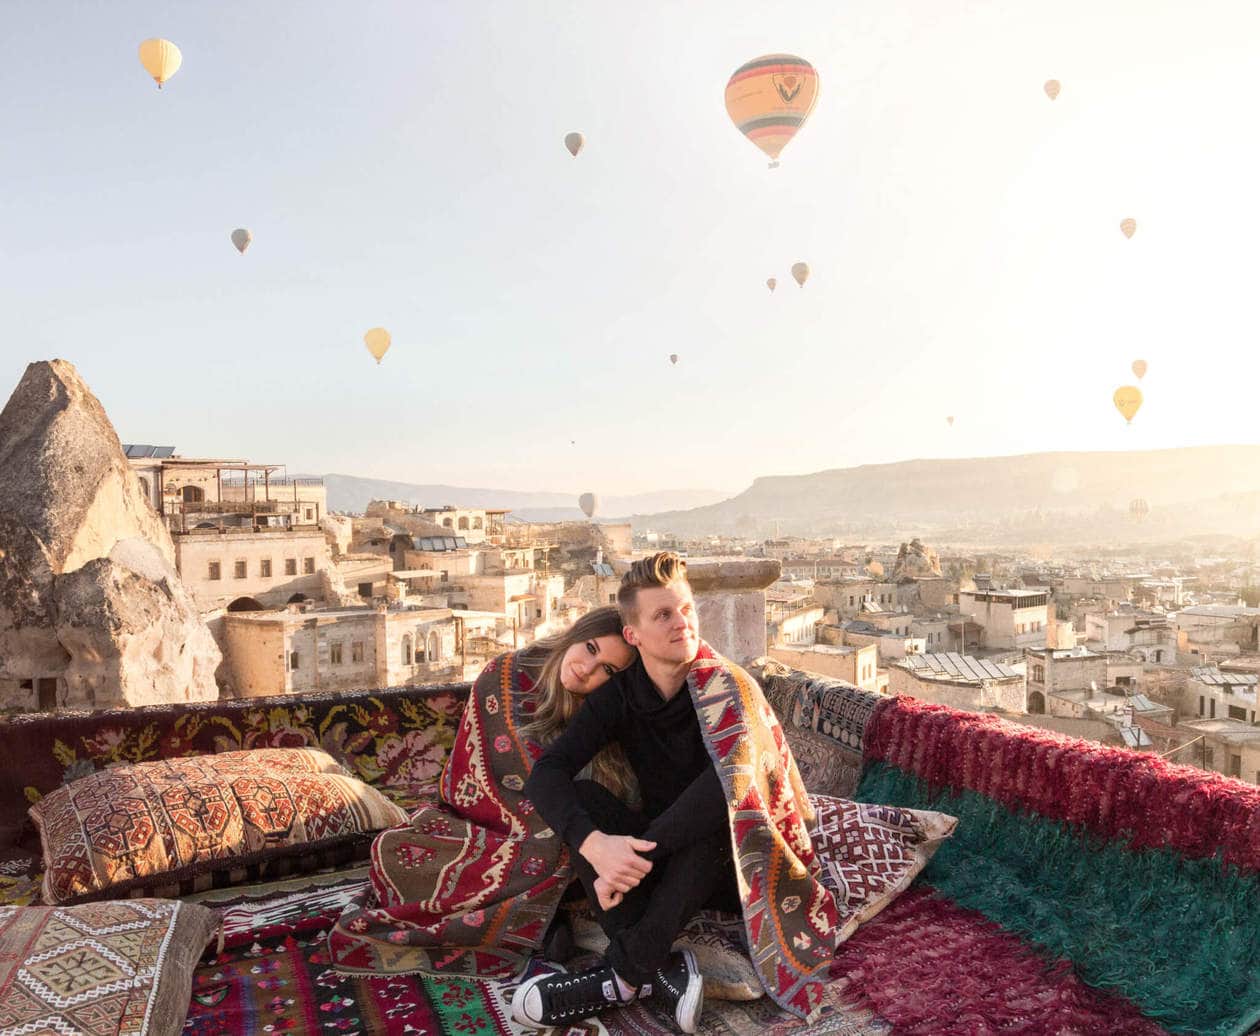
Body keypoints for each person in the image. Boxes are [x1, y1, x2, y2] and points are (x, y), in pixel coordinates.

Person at [327, 606, 637, 979]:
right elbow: (488, 771)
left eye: (607, 669)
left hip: (562, 823)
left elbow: (608, 786)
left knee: (569, 838)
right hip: (485, 818)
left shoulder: (605, 708)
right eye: (590, 648)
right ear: (575, 634)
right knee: (399, 853)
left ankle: (538, 921)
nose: (587, 668)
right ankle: (541, 920)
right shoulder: (508, 674)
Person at [513, 553, 736, 1033]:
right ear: (633, 635)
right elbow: (548, 773)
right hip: (655, 864)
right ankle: (660, 970)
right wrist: (601, 848)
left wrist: (635, 861)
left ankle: (621, 976)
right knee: (586, 800)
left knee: (715, 819)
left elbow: (731, 782)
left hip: (720, 862)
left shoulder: (724, 688)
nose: (683, 624)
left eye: (687, 609)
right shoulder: (620, 695)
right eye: (663, 615)